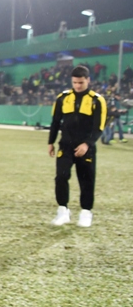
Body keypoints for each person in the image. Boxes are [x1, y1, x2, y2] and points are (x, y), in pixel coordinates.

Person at [48, 65, 107, 227]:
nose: (78, 86)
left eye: (81, 82)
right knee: (61, 177)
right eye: (75, 82)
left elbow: (99, 128)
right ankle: (63, 210)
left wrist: (87, 144)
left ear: (88, 80)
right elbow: (55, 122)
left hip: (86, 149)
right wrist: (50, 142)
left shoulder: (97, 100)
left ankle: (86, 212)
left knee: (86, 180)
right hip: (65, 146)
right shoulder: (62, 98)